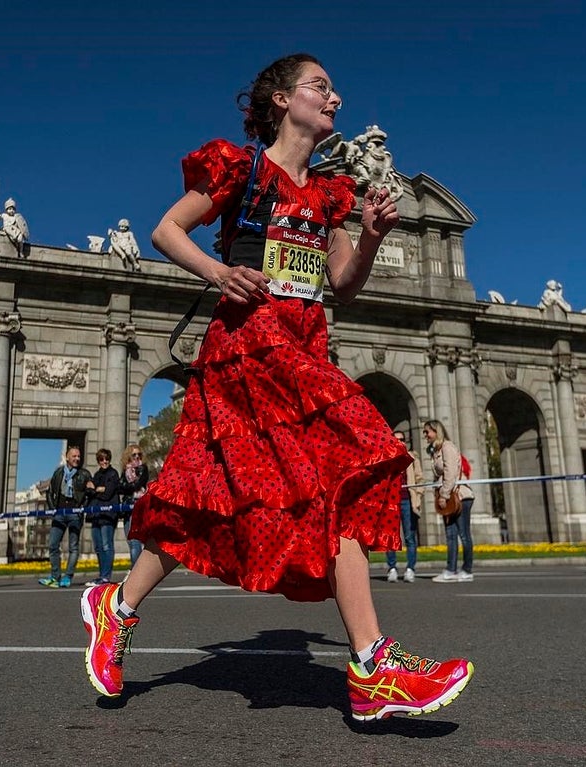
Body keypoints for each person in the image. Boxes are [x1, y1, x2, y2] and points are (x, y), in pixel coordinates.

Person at [80, 54, 473, 720]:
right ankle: (373, 663)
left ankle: (117, 607)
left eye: (334, 89)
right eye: (322, 87)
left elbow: (341, 285)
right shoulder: (244, 169)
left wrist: (372, 238)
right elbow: (166, 229)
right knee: (220, 493)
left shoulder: (328, 197)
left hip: (301, 350)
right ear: (281, 98)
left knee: (279, 490)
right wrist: (218, 271)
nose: (335, 97)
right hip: (244, 354)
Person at [423, 420, 475, 583]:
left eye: (427, 432)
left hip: (459, 497)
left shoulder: (447, 447)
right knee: (451, 535)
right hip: (449, 497)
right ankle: (451, 570)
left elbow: (451, 473)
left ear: (436, 431)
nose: (425, 435)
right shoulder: (437, 450)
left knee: (464, 535)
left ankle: (467, 570)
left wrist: (444, 495)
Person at [41, 446, 91, 588]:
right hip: (59, 513)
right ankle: (55, 576)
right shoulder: (58, 473)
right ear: (67, 457)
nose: (77, 459)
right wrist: (53, 510)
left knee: (73, 547)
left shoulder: (84, 474)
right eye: (74, 456)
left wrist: (82, 507)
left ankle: (67, 576)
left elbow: (89, 493)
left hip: (75, 513)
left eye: (79, 456)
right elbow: (50, 492)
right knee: (53, 545)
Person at [385, 430, 422, 583]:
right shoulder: (387, 458)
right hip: (391, 502)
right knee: (390, 537)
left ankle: (410, 569)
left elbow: (420, 478)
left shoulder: (412, 457)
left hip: (407, 501)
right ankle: (392, 568)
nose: (400, 441)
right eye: (396, 439)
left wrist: (418, 494)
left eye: (402, 439)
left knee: (409, 537)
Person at [85, 448, 121, 586]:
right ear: (98, 461)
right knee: (98, 547)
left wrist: (96, 489)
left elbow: (108, 494)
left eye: (106, 459)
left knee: (107, 546)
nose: (104, 462)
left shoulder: (113, 473)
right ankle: (101, 575)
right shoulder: (96, 474)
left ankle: (106, 576)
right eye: (101, 459)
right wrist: (98, 489)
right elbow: (88, 490)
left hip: (108, 515)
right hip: (95, 514)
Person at [117, 443, 150, 566]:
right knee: (130, 540)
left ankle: (135, 570)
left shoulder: (143, 468)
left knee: (135, 540)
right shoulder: (126, 469)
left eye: (139, 454)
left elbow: (138, 484)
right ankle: (137, 570)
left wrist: (126, 487)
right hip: (127, 505)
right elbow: (119, 487)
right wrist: (127, 487)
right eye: (134, 454)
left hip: (139, 504)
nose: (136, 457)